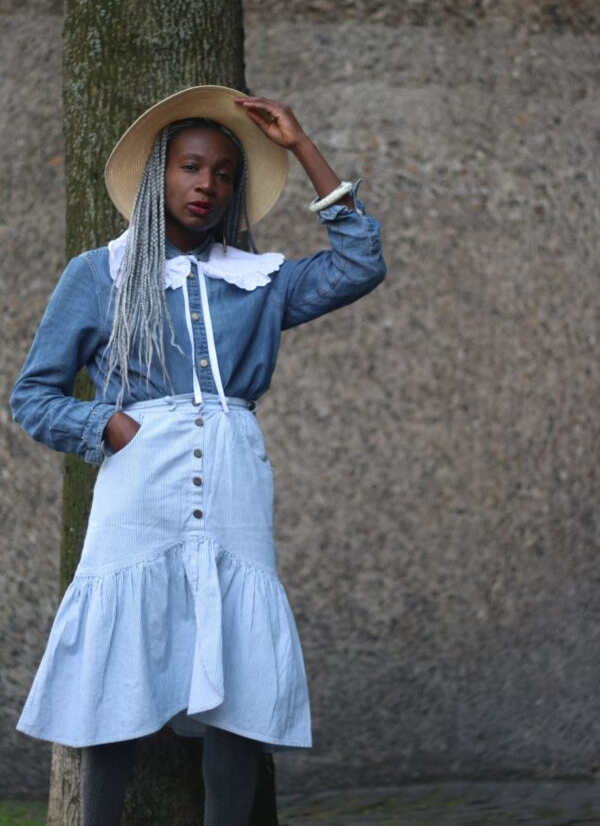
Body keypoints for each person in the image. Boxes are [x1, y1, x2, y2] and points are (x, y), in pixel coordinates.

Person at [10, 85, 387, 825]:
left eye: (222, 173)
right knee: (117, 661)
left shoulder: (257, 282)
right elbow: (33, 395)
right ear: (160, 176)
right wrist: (108, 427)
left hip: (234, 475)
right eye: (190, 166)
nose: (206, 185)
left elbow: (359, 263)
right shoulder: (99, 275)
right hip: (138, 479)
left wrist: (300, 146)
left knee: (238, 667)